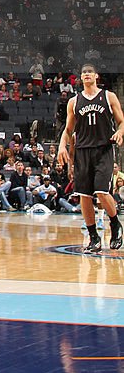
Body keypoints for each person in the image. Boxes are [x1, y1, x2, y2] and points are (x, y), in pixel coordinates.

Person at [58, 63, 124, 253]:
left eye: (89, 72)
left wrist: (120, 132)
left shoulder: (108, 96)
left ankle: (114, 223)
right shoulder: (74, 101)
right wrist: (62, 146)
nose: (86, 75)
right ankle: (93, 236)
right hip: (83, 151)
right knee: (84, 196)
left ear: (96, 76)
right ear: (81, 78)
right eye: (83, 73)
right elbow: (68, 129)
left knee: (102, 192)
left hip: (103, 149)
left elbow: (121, 121)